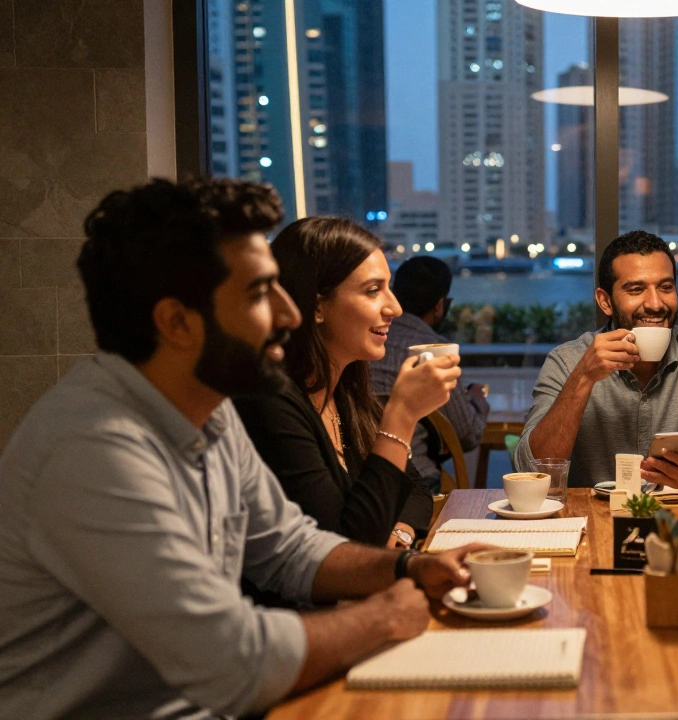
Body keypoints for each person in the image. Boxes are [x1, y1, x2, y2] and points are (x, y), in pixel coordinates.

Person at [0, 178, 485, 719]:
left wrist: (408, 570)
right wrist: (384, 616)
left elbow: (290, 547)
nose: (290, 313)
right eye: (259, 293)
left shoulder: (213, 410)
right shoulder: (95, 448)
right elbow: (233, 660)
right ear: (177, 322)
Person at [233, 217, 460, 550]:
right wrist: (402, 413)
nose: (395, 307)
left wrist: (400, 532)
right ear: (316, 305)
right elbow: (344, 548)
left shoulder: (346, 393)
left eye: (389, 287)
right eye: (373, 290)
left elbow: (415, 490)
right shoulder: (271, 403)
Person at [515, 230, 678, 491]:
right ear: (605, 302)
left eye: (666, 287)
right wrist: (583, 378)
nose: (655, 304)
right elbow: (532, 470)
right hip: (589, 519)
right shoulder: (567, 361)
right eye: (636, 289)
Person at [370, 256, 490, 495]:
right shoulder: (434, 351)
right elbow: (466, 435)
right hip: (416, 482)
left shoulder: (366, 345)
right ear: (439, 306)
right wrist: (479, 401)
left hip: (361, 475)